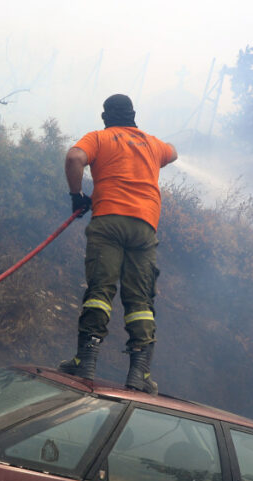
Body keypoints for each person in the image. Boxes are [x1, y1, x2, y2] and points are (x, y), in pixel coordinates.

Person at [58, 94, 178, 394]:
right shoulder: (152, 144)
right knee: (141, 302)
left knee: (100, 291)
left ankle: (85, 362)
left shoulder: (100, 138)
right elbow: (173, 153)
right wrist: (151, 151)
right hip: (145, 227)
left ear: (105, 116)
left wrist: (77, 195)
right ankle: (139, 373)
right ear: (133, 115)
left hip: (109, 220)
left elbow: (74, 158)